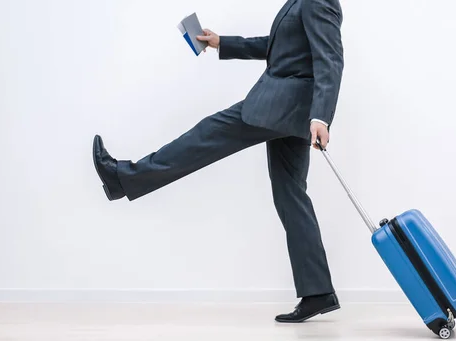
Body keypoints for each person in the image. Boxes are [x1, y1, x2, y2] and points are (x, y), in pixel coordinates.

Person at [92, 0, 344, 323]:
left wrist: (322, 117)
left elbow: (330, 60)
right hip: (291, 113)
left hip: (279, 108)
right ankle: (317, 290)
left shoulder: (318, 1)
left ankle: (123, 178)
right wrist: (222, 42)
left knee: (204, 138)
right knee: (290, 195)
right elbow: (278, 47)